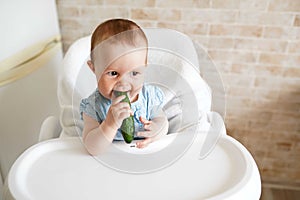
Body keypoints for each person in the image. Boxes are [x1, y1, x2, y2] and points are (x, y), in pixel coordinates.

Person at [80, 18, 169, 155]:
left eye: (134, 73)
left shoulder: (148, 97)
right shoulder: (93, 106)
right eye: (113, 73)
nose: (124, 83)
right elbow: (92, 148)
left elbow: (162, 121)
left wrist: (157, 130)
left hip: (144, 156)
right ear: (93, 68)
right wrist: (109, 124)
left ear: (144, 68)